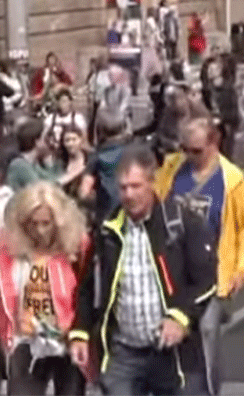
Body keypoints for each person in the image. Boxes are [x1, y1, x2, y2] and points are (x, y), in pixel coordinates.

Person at [68, 145, 217, 396]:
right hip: (124, 353)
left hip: (171, 354)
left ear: (152, 183)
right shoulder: (107, 230)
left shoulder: (181, 222)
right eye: (123, 187)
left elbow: (206, 279)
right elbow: (88, 286)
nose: (128, 194)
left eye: (136, 186)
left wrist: (180, 317)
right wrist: (80, 332)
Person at [154, 116, 244, 394]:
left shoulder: (232, 179)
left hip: (213, 271)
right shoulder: (172, 167)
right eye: (185, 148)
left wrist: (243, 269)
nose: (189, 155)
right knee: (171, 335)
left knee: (206, 335)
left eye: (196, 151)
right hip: (173, 267)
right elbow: (155, 205)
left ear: (214, 144)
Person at [0, 182, 89, 395]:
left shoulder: (76, 245)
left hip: (67, 338)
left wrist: (81, 332)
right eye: (33, 224)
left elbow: (87, 290)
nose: (40, 231)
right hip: (26, 338)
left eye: (46, 223)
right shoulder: (9, 247)